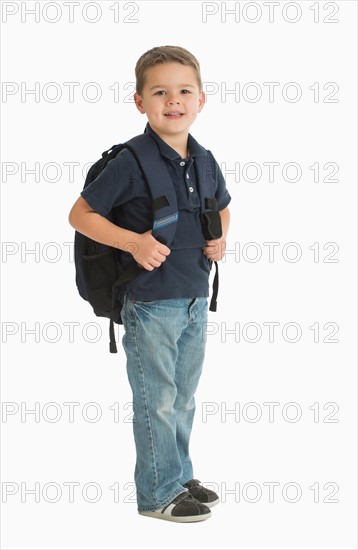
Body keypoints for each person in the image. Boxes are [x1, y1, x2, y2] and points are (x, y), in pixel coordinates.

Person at [69, 45, 231, 522]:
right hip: (149, 302)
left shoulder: (203, 159)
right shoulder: (130, 161)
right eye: (160, 92)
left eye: (184, 91)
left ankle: (178, 475)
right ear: (140, 101)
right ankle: (158, 494)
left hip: (194, 298)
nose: (173, 101)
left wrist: (220, 239)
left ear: (202, 99)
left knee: (182, 398)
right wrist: (134, 243)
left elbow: (221, 204)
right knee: (156, 401)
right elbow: (79, 215)